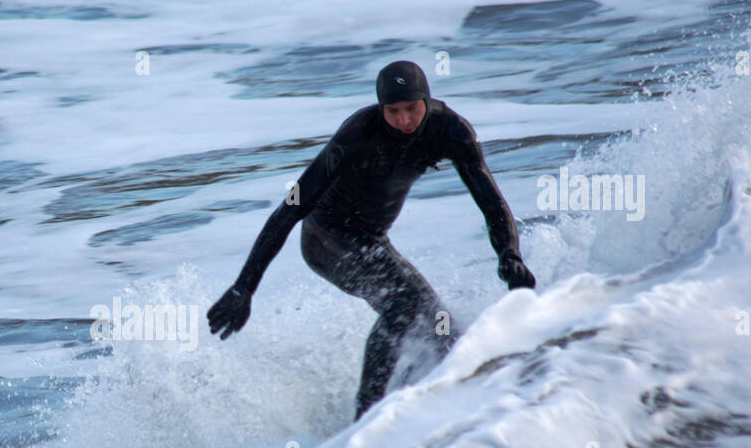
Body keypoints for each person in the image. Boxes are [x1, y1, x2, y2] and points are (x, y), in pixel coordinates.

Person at [207, 60, 536, 421]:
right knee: (404, 306)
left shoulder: (452, 131)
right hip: (326, 240)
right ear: (381, 108)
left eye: (412, 108)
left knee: (444, 332)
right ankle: (366, 418)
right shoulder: (357, 134)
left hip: (372, 240)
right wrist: (244, 287)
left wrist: (509, 254)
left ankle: (422, 406)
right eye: (393, 111)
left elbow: (491, 202)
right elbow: (290, 209)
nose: (405, 120)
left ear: (427, 99)